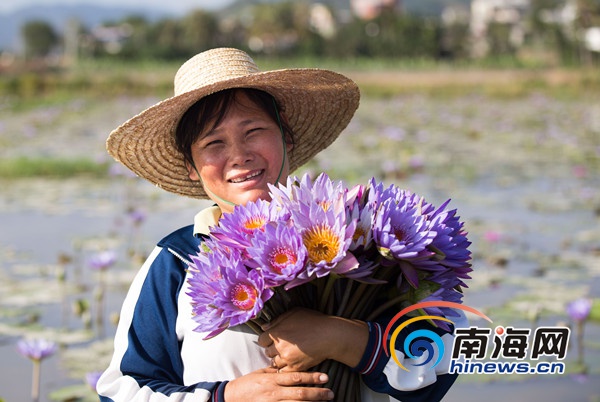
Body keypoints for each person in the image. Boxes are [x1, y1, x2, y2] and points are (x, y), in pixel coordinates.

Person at [97, 47, 465, 402]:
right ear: (191, 167)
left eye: (253, 130)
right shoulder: (178, 260)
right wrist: (222, 397)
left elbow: (446, 365)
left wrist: (343, 338)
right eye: (213, 142)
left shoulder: (362, 238)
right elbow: (122, 390)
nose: (239, 155)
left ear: (286, 136)